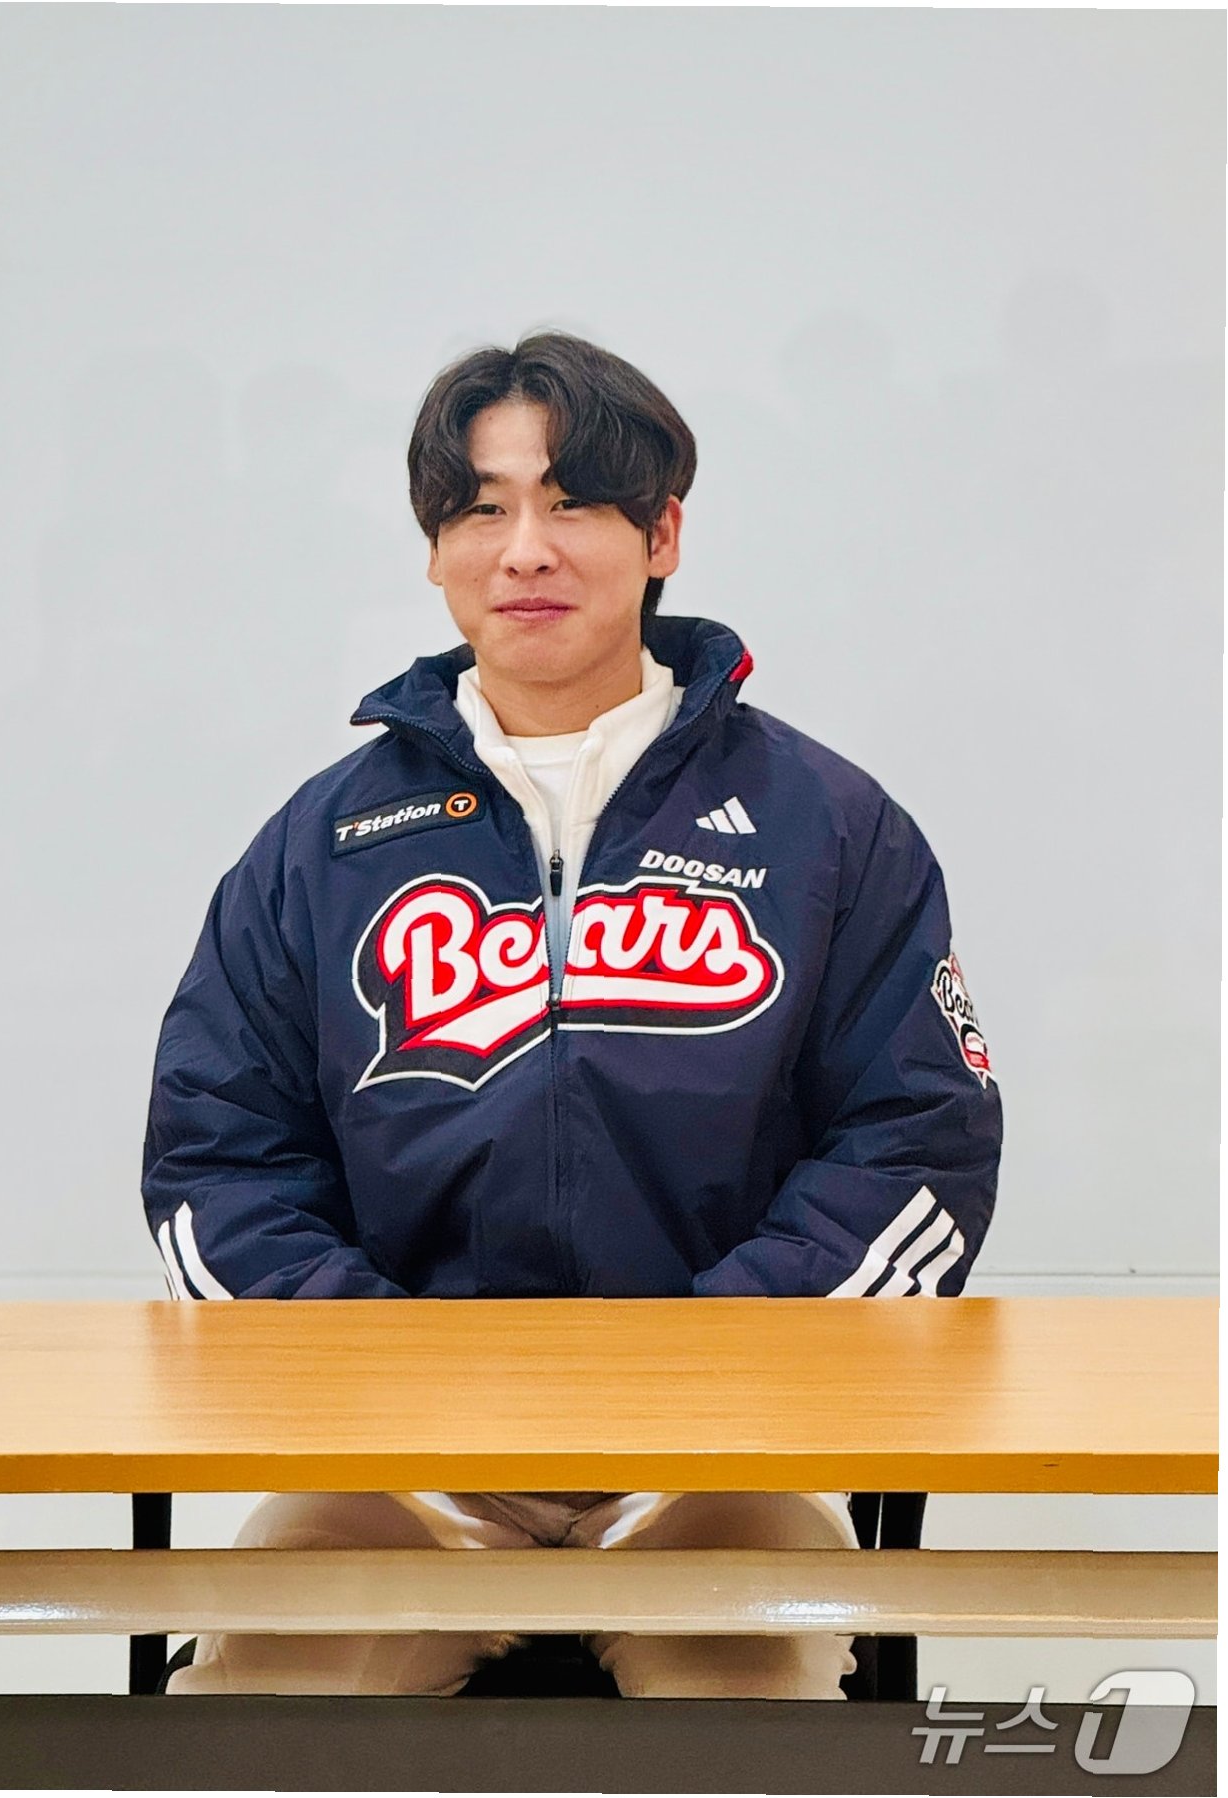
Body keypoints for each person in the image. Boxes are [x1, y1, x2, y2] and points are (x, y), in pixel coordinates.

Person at [141, 330, 1003, 1698]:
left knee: (756, 1714)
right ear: (436, 552)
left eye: (572, 503)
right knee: (264, 1712)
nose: (524, 551)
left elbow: (916, 1146)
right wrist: (403, 1386)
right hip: (395, 1468)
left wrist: (685, 1374)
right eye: (481, 510)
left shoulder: (828, 825)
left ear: (662, 536)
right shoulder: (319, 844)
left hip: (720, 1460)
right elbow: (218, 1163)